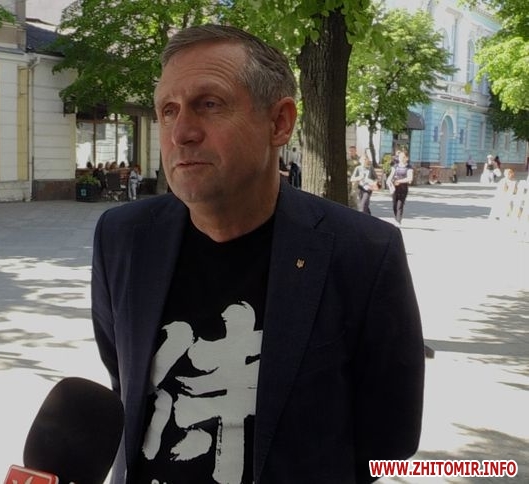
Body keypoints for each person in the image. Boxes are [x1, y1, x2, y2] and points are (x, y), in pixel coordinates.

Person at [91, 24, 424, 484]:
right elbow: (123, 378)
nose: (181, 132)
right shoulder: (123, 238)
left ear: (279, 123)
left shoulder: (364, 253)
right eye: (168, 111)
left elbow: (389, 436)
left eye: (209, 104)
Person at [386, 149, 414, 226]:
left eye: (403, 157)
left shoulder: (409, 167)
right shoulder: (395, 166)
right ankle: (397, 218)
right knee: (394, 205)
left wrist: (399, 181)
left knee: (399, 205)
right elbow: (390, 176)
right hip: (394, 188)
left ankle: (398, 221)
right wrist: (388, 182)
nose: (401, 158)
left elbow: (410, 178)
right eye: (400, 157)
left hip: (403, 189)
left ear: (407, 158)